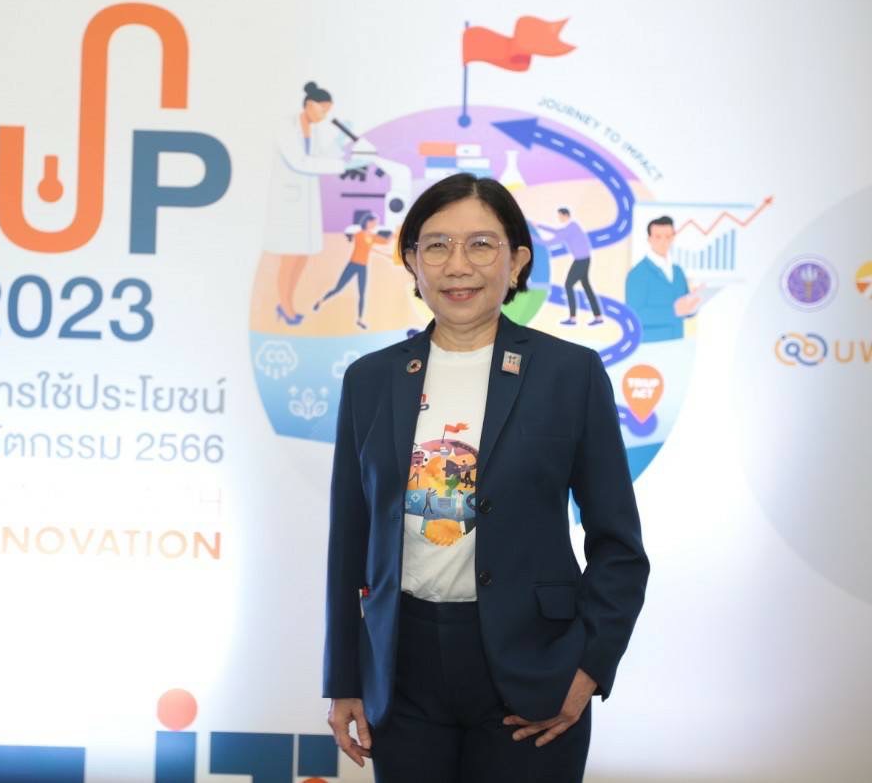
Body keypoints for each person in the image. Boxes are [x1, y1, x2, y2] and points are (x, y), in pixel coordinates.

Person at [324, 174, 648, 783]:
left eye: (480, 244)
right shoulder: (370, 380)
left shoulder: (570, 374)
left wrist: (588, 668)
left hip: (534, 667)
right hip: (403, 670)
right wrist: (344, 678)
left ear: (517, 260)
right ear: (412, 262)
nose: (458, 265)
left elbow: (619, 546)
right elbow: (350, 539)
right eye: (437, 246)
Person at [264, 81, 360, 325]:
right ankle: (285, 305)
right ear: (309, 104)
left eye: (328, 111)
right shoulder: (286, 127)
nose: (325, 116)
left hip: (306, 200)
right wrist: (343, 165)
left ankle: (287, 302)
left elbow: (319, 157)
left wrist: (339, 143)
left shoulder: (313, 129)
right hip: (288, 202)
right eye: (323, 109)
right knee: (290, 256)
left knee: (303, 254)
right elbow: (300, 162)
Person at [625, 215, 703, 342]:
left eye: (668, 236)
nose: (663, 241)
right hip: (651, 345)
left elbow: (685, 311)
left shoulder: (678, 272)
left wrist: (694, 302)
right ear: (649, 239)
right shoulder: (638, 273)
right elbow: (635, 315)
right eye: (658, 237)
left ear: (673, 237)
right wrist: (674, 311)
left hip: (677, 342)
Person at [313, 210, 392, 329]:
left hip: (363, 267)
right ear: (368, 222)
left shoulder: (372, 236)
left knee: (362, 293)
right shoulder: (359, 234)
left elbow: (385, 242)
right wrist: (384, 254)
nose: (376, 224)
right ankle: (321, 301)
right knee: (338, 288)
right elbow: (367, 247)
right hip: (353, 265)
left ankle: (360, 319)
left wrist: (395, 233)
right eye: (375, 222)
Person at [534, 207, 603, 326]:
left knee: (568, 285)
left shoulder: (570, 228)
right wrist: (539, 226)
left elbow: (549, 242)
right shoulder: (572, 226)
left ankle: (573, 318)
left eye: (560, 216)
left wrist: (532, 238)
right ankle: (598, 316)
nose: (559, 218)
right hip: (584, 259)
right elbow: (557, 231)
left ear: (565, 215)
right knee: (586, 287)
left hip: (581, 261)